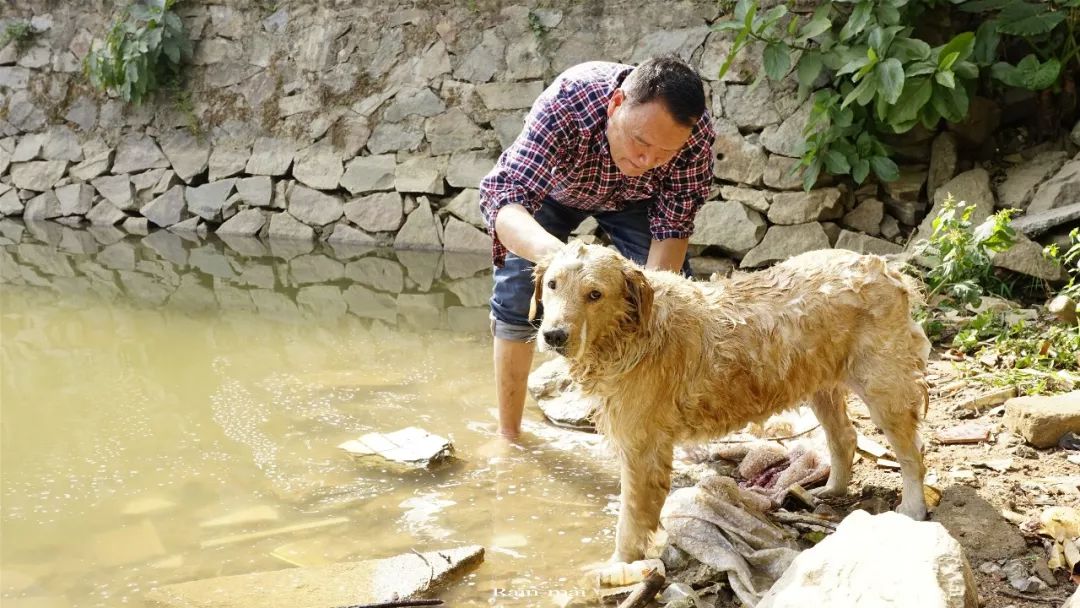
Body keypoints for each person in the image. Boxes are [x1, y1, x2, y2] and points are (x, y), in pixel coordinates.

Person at [479, 56, 715, 440]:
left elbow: (673, 227)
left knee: (671, 306)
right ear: (616, 104)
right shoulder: (571, 99)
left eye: (663, 153)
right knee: (515, 294)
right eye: (639, 141)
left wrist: (653, 298)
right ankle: (509, 436)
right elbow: (503, 199)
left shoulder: (695, 134)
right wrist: (559, 260)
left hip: (638, 203)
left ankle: (668, 431)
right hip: (554, 193)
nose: (646, 159)